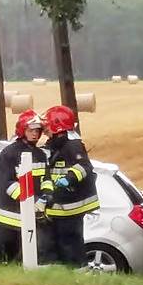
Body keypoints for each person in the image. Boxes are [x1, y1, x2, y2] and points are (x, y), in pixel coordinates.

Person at [0, 109, 55, 263]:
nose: (35, 134)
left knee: (29, 257)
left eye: (38, 131)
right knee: (8, 259)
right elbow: (7, 183)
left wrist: (47, 196)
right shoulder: (9, 153)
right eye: (31, 130)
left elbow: (46, 179)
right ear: (22, 130)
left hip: (32, 217)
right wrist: (31, 200)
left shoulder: (40, 155)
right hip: (10, 218)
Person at [43, 105, 98, 267]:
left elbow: (84, 166)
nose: (45, 130)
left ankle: (77, 270)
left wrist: (68, 179)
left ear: (57, 126)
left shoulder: (72, 145)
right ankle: (69, 271)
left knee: (70, 244)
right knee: (62, 243)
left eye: (47, 126)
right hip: (61, 204)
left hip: (71, 206)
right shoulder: (57, 144)